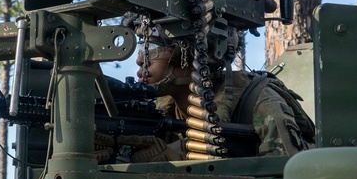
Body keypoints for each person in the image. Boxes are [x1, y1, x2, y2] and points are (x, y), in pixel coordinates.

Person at [133, 20, 314, 159]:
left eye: (152, 49)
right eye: (141, 48)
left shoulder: (261, 103)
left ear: (190, 57)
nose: (140, 60)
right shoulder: (155, 111)